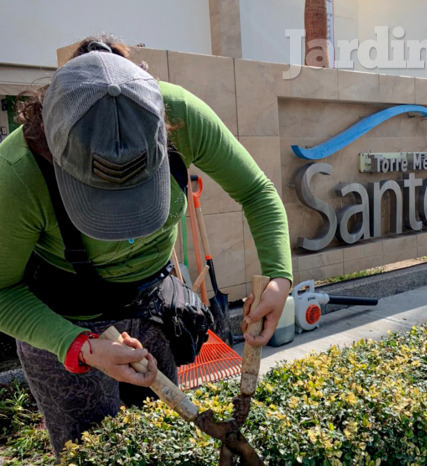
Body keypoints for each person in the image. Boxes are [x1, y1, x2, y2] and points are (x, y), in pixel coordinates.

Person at [0, 34, 292, 457]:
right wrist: (80, 346)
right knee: (95, 452)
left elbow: (257, 193)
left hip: (152, 305)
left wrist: (279, 277)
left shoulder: (180, 115)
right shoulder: (16, 174)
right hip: (63, 320)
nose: (124, 229)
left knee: (165, 446)